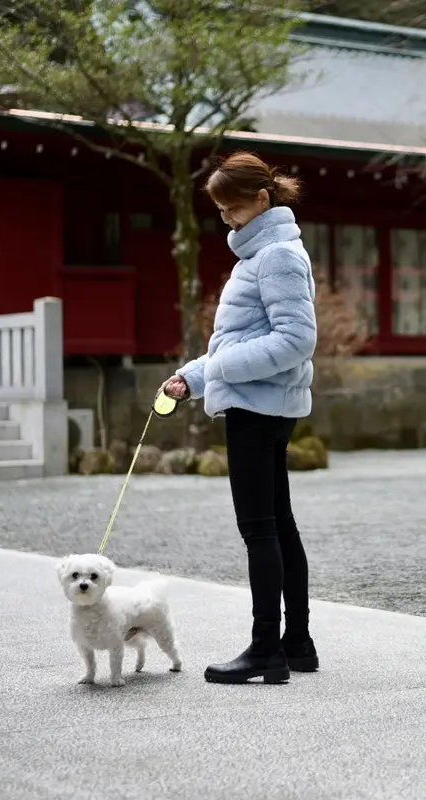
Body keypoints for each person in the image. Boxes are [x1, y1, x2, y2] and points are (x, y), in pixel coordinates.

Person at [159, 151, 318, 685]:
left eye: (232, 208)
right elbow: (242, 342)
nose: (226, 218)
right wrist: (193, 378)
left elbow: (296, 340)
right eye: (221, 210)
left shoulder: (274, 255)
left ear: (262, 200)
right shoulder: (262, 254)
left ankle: (264, 649)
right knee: (279, 526)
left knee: (259, 531)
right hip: (261, 402)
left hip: (257, 407)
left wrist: (220, 370)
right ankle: (296, 642)